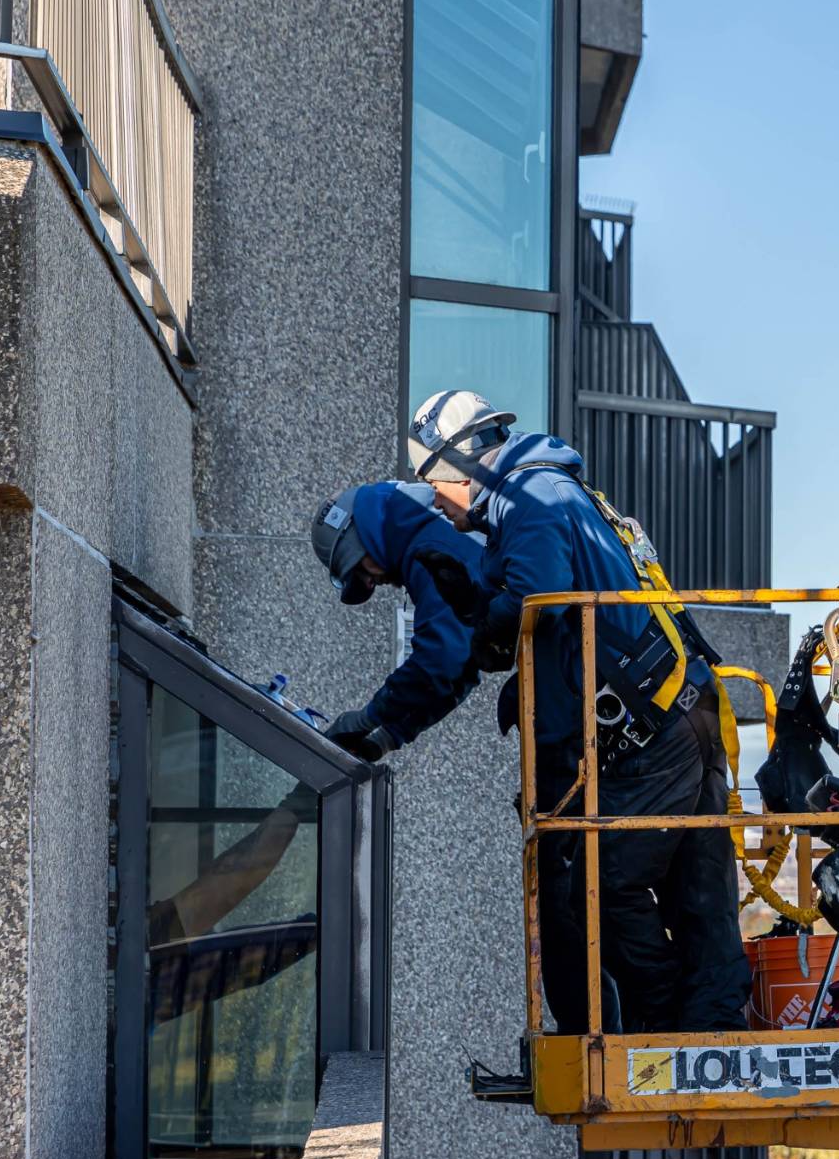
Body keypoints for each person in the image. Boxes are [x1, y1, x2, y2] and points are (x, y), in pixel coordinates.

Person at [403, 388, 747, 1035]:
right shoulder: (562, 492)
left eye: (433, 487)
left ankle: (660, 1030)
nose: (439, 509)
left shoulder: (529, 498)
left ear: (458, 465)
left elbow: (539, 600)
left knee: (603, 887)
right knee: (699, 895)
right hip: (681, 703)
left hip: (650, 725)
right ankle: (711, 1034)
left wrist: (475, 631)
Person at [308, 481, 488, 761]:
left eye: (359, 570)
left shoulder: (430, 549)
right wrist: (386, 738)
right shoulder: (422, 531)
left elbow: (441, 660)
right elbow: (461, 671)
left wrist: (365, 720)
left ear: (365, 539)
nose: (371, 582)